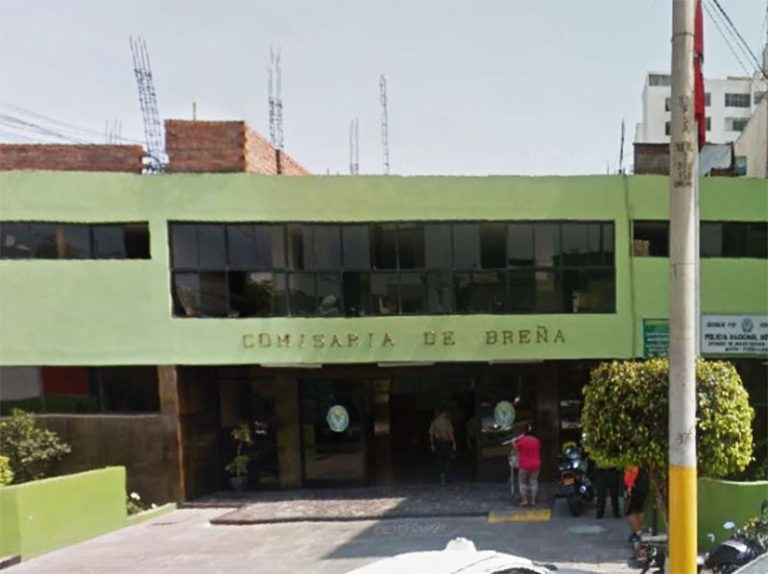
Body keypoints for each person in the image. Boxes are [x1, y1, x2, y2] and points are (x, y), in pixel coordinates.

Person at [510, 423, 541, 506]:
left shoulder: (522, 441)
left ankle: (525, 500)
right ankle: (533, 500)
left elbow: (516, 449)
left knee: (522, 482)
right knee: (533, 482)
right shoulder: (536, 440)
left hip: (524, 465)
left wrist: (513, 442)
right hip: (536, 464)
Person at [428, 407, 456, 485]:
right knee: (447, 459)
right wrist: (454, 443)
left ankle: (441, 474)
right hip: (446, 442)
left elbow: (431, 434)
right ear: (444, 412)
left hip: (438, 442)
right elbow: (450, 433)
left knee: (440, 459)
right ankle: (447, 475)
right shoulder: (447, 421)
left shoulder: (434, 422)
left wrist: (432, 444)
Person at [624, 465, 649, 544]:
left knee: (629, 512)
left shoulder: (632, 463)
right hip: (642, 486)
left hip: (634, 487)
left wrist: (629, 487)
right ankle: (639, 531)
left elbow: (631, 471)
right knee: (639, 510)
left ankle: (639, 533)